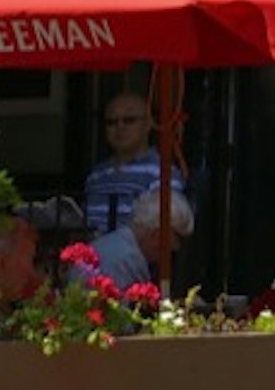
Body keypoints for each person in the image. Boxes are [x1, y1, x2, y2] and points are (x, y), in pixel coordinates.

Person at [79, 88, 190, 238]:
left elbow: (164, 227)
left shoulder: (162, 172)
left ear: (148, 124)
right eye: (111, 122)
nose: (120, 127)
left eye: (129, 120)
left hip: (134, 255)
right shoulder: (96, 175)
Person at [85, 178, 191, 295]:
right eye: (167, 250)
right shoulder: (130, 262)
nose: (162, 259)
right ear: (156, 235)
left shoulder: (107, 244)